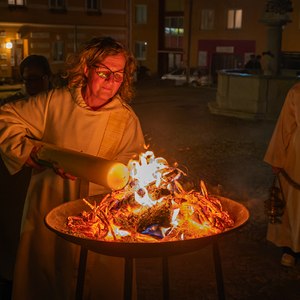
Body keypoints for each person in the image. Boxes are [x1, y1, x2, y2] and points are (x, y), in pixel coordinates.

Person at [0, 37, 145, 300]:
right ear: (87, 68)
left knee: (100, 283)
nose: (111, 81)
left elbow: (133, 166)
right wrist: (32, 154)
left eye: (119, 75)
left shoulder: (126, 118)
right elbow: (6, 117)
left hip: (102, 218)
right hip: (50, 205)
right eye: (104, 72)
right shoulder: (54, 102)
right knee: (46, 278)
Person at [0, 54, 53, 300]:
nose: (32, 84)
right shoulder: (14, 105)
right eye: (27, 79)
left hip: (48, 183)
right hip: (16, 183)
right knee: (15, 235)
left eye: (37, 79)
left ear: (48, 78)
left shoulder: (55, 106)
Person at [264, 81, 300, 267]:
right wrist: (277, 158)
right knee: (294, 204)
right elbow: (285, 124)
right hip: (298, 157)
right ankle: (291, 247)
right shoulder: (297, 91)